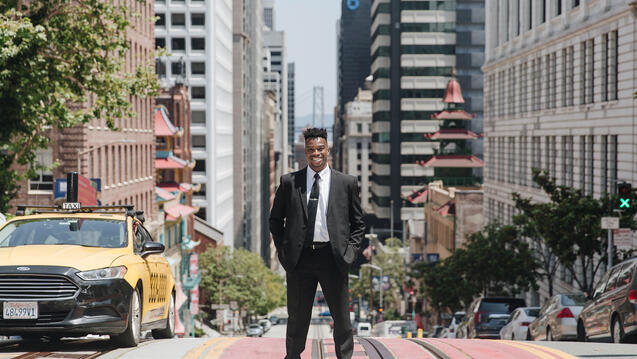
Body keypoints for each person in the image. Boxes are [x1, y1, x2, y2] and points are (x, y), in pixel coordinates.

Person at [270, 127, 364, 359]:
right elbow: (275, 220)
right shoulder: (289, 182)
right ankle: (292, 356)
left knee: (341, 317)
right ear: (305, 151)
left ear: (327, 150)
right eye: (311, 149)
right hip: (300, 259)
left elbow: (358, 223)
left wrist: (349, 254)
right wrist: (285, 253)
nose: (316, 153)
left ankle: (345, 356)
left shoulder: (347, 183)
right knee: (297, 317)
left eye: (320, 149)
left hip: (333, 258)